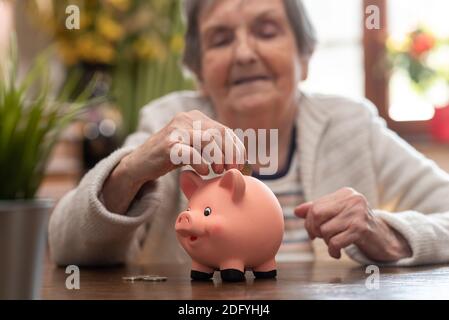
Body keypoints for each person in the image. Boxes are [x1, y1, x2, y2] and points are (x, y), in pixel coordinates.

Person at [49, 0, 449, 267]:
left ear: (304, 57)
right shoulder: (166, 121)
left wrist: (390, 236)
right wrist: (131, 170)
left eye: (268, 30)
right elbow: (65, 244)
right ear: (201, 71)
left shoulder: (351, 124)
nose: (244, 53)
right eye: (220, 40)